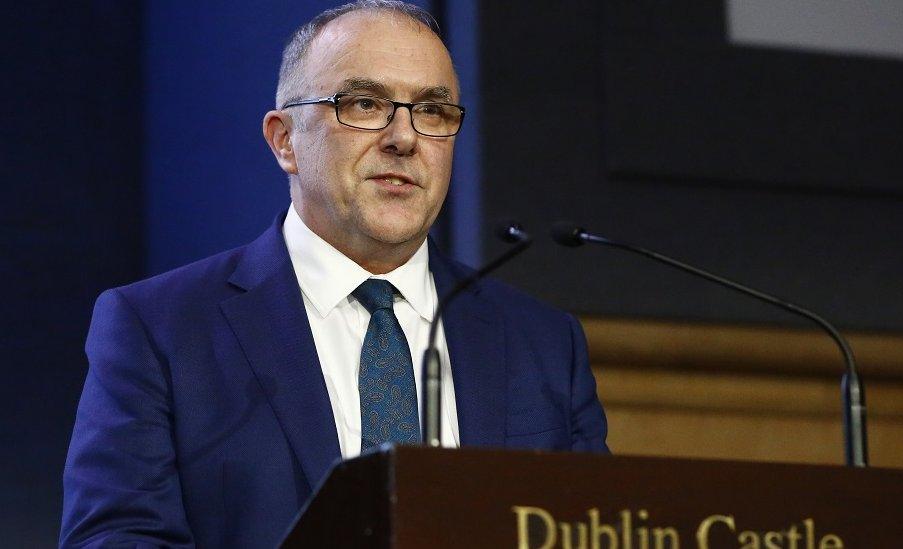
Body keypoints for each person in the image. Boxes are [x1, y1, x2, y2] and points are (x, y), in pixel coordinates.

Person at [60, 2, 608, 547]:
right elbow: (116, 539)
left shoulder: (541, 343)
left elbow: (591, 529)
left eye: (433, 111)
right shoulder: (161, 329)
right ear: (285, 140)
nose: (404, 137)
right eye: (365, 104)